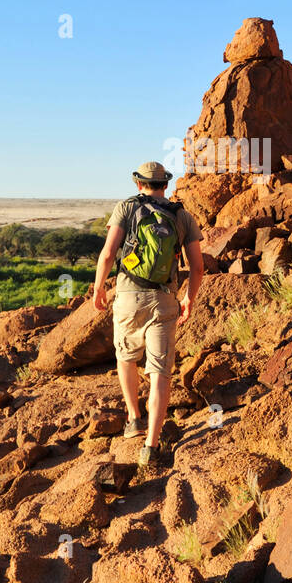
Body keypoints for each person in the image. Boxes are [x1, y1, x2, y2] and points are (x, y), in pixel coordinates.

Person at [91, 161, 204, 467]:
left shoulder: (126, 208)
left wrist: (99, 287)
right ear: (165, 185)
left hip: (128, 296)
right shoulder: (182, 216)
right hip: (164, 301)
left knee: (125, 357)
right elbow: (198, 267)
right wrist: (189, 299)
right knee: (159, 373)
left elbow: (108, 253)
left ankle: (133, 418)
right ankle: (151, 448)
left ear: (138, 184)